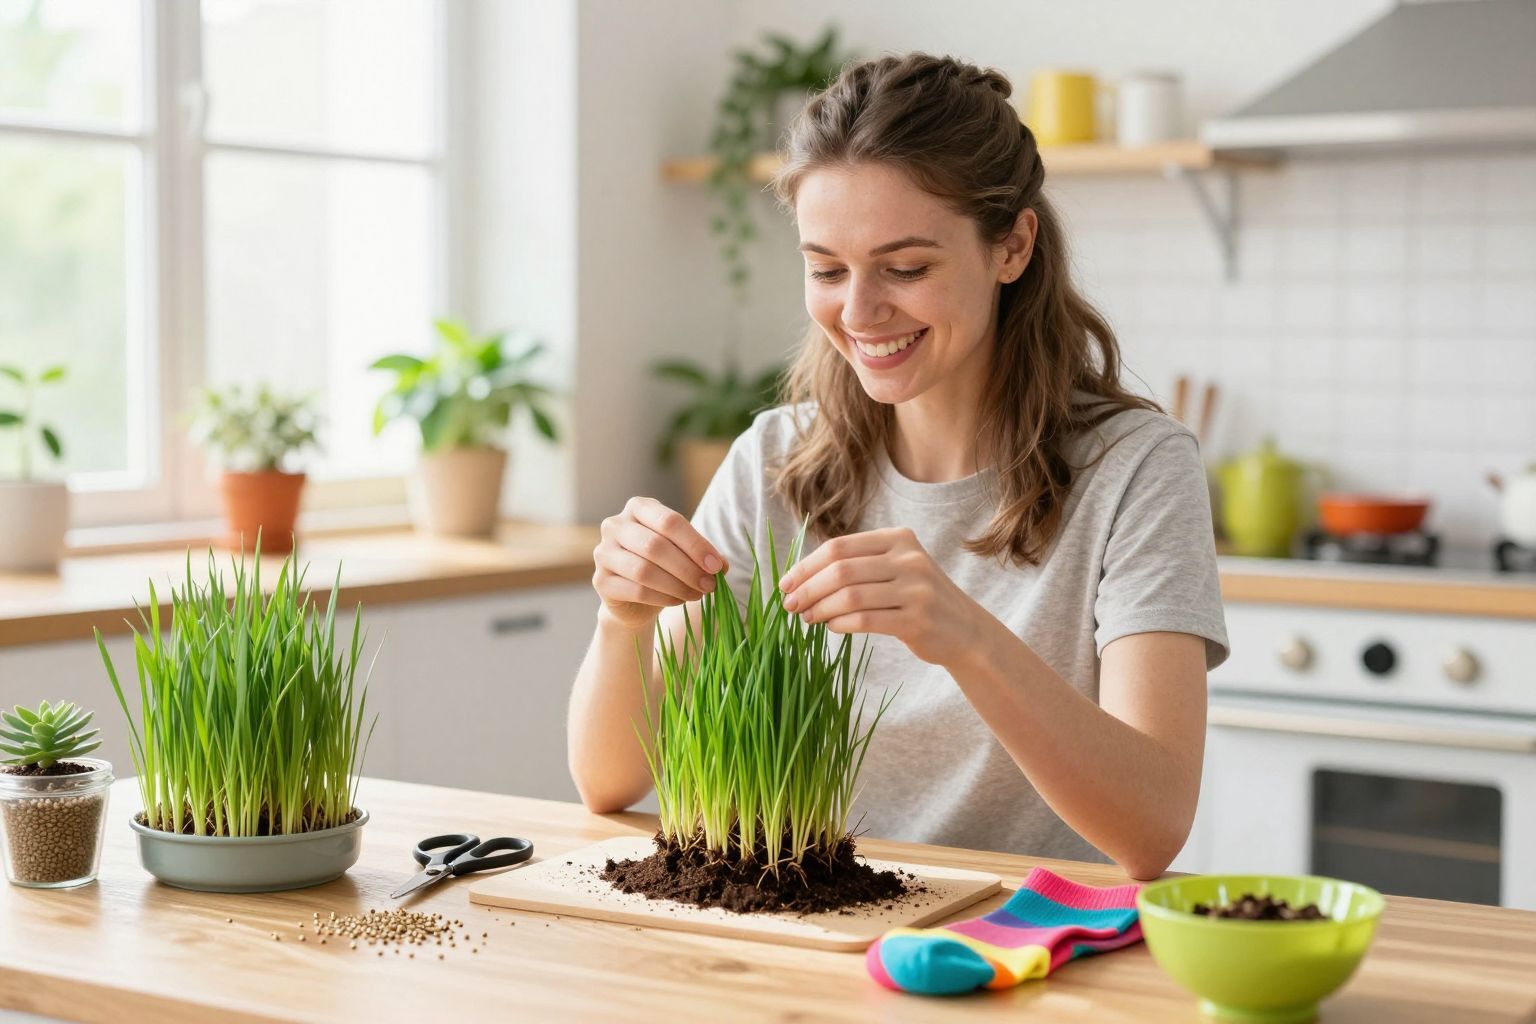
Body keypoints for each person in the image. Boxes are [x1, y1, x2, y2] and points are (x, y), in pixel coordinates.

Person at [566, 52, 1228, 880]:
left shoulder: (1136, 470)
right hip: (805, 939)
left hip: (1020, 946)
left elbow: (1153, 826)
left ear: (1013, 245)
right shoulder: (776, 460)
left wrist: (966, 638)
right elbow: (607, 781)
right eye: (826, 269)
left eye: (907, 268)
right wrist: (621, 621)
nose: (860, 310)